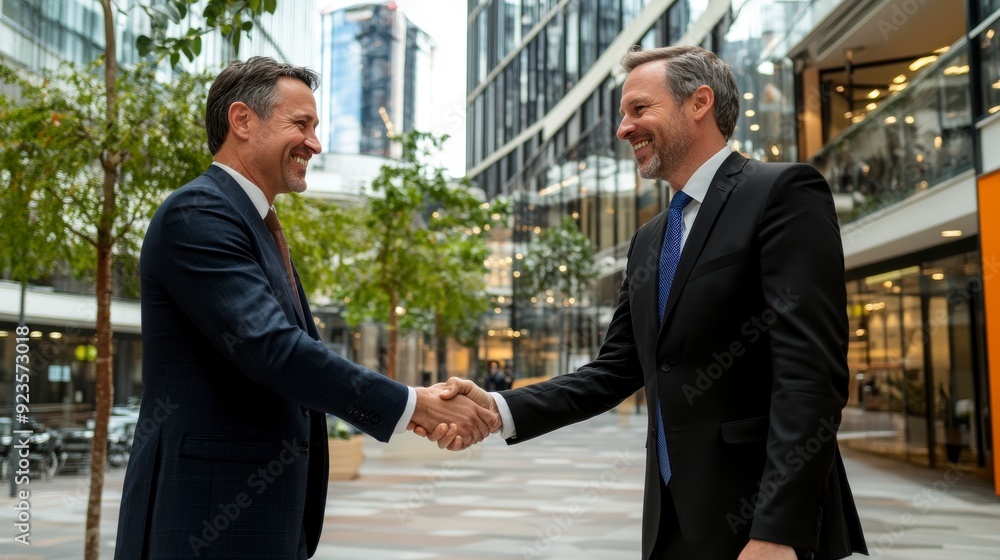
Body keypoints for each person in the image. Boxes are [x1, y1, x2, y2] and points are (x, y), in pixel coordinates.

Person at [426, 46, 868, 560]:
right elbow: (616, 371)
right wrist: (498, 407)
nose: (623, 129)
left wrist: (778, 531)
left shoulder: (782, 193)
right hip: (670, 524)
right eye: (622, 115)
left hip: (760, 528)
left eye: (639, 109)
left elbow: (810, 375)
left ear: (699, 103)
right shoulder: (651, 238)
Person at [114, 57, 498, 560]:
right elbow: (274, 350)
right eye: (301, 124)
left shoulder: (254, 222)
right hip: (205, 519)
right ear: (242, 121)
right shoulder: (199, 213)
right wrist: (414, 405)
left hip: (257, 517)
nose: (315, 143)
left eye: (314, 126)